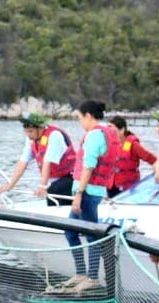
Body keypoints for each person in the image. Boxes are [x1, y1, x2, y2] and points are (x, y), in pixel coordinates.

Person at [58, 100, 122, 291]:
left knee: (91, 235)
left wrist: (79, 194)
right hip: (92, 191)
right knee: (70, 231)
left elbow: (89, 166)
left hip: (87, 192)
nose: (79, 122)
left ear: (88, 116)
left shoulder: (95, 136)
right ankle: (81, 273)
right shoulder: (106, 133)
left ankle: (92, 277)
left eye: (79, 117)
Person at [0, 112, 75, 206]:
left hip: (71, 177)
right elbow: (23, 162)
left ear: (40, 128)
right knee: (52, 190)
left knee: (54, 190)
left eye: (30, 131)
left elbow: (47, 162)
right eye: (26, 131)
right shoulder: (31, 140)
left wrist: (43, 187)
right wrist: (10, 185)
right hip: (54, 179)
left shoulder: (54, 136)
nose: (28, 134)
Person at [108, 115, 158, 197]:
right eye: (108, 128)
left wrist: (158, 170)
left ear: (122, 130)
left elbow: (151, 158)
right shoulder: (109, 144)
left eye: (112, 128)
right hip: (112, 186)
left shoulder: (133, 145)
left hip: (128, 188)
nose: (109, 131)